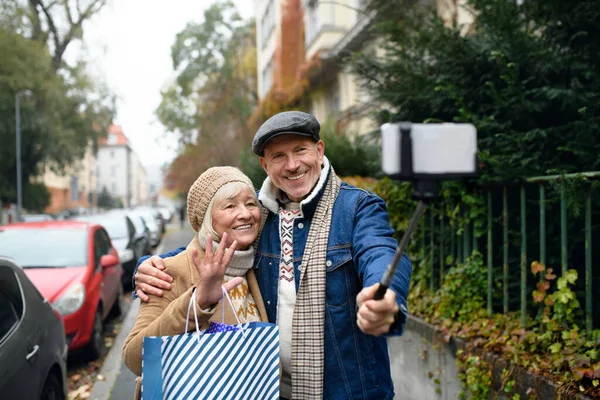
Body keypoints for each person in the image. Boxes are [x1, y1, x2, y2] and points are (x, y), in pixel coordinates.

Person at [133, 111, 413, 399]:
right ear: (265, 165)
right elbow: (209, 245)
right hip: (271, 390)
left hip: (350, 392)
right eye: (279, 156)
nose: (292, 165)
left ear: (319, 151)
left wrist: (384, 291)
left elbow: (381, 251)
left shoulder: (357, 208)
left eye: (300, 150)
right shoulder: (258, 212)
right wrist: (148, 266)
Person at [122, 166, 269, 400]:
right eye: (230, 205)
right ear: (207, 217)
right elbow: (133, 358)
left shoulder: (258, 262)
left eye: (251, 203)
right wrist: (195, 304)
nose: (245, 214)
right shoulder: (169, 270)